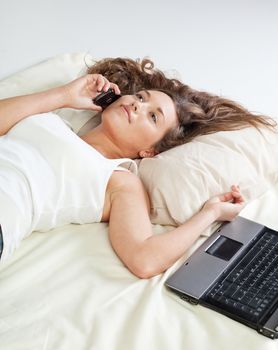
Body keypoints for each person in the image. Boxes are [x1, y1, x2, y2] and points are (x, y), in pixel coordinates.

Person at [0, 57, 275, 278]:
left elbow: (144, 259)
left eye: (153, 116)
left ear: (150, 151)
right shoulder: (55, 119)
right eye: (141, 98)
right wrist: (65, 95)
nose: (137, 106)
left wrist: (210, 212)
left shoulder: (118, 179)